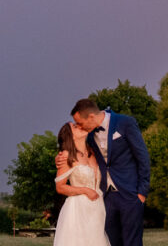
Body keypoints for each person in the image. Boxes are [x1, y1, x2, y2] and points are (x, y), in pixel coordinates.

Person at [56, 98, 150, 246]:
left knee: (133, 241)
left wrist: (142, 193)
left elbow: (143, 157)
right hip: (105, 199)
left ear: (91, 117)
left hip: (130, 194)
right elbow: (76, 155)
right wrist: (62, 155)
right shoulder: (90, 137)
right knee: (110, 242)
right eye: (76, 125)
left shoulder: (125, 123)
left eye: (80, 123)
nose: (79, 127)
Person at [53, 122, 109, 246]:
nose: (79, 126)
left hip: (97, 207)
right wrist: (85, 190)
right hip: (77, 209)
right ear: (70, 136)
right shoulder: (66, 156)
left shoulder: (94, 151)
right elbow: (60, 187)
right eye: (74, 127)